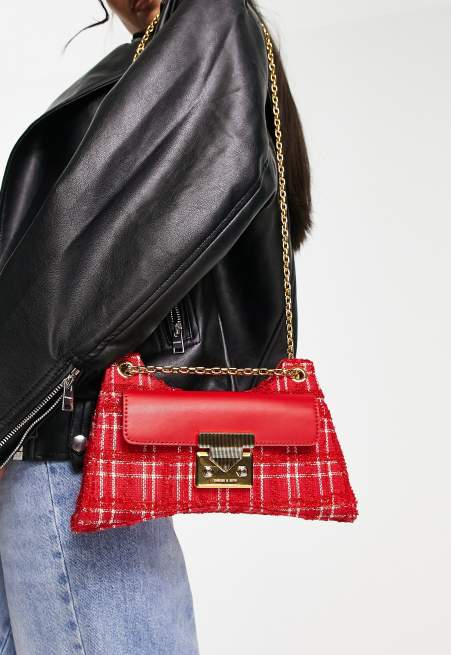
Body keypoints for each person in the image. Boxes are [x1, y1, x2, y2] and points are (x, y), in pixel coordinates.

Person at [0, 0, 311, 652]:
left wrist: (6, 411)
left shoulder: (211, 22)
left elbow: (107, 260)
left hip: (64, 450)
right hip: (46, 448)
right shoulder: (155, 59)